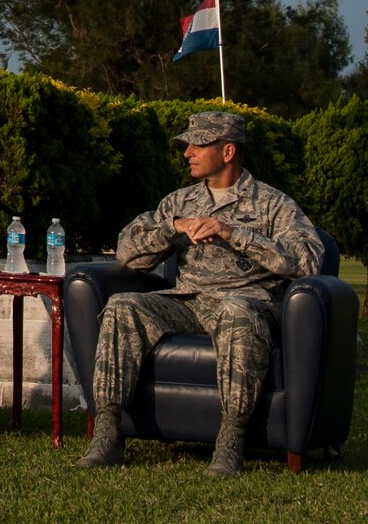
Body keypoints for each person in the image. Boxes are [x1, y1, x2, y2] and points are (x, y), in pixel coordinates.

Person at [77, 108, 325, 477]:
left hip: (249, 305)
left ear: (227, 151)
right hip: (189, 303)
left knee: (236, 312)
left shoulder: (275, 204)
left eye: (198, 144)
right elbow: (128, 251)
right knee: (122, 305)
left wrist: (232, 233)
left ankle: (230, 441)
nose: (187, 152)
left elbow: (307, 261)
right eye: (187, 145)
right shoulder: (180, 202)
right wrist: (173, 227)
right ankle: (108, 433)